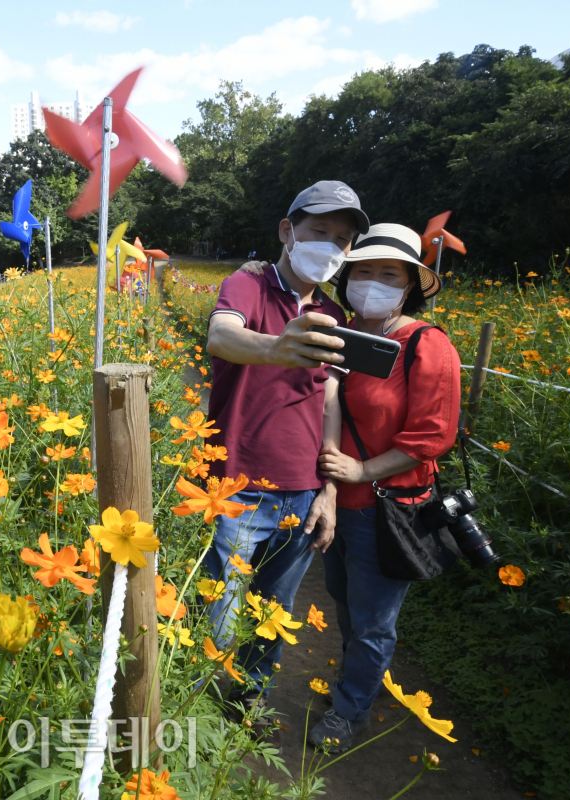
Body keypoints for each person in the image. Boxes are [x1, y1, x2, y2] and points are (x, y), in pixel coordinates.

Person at [202, 181, 369, 714]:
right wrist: (278, 347)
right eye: (320, 231)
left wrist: (330, 492)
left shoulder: (333, 318)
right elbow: (222, 337)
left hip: (300, 490)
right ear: (287, 231)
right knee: (217, 616)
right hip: (236, 484)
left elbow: (330, 400)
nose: (331, 245)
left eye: (342, 239)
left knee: (273, 612)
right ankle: (195, 703)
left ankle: (250, 702)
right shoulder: (248, 287)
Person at [307, 223, 462, 750]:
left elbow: (433, 436)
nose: (373, 282)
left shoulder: (425, 344)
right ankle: (356, 688)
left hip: (386, 506)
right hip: (335, 502)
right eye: (364, 272)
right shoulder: (343, 332)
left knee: (374, 619)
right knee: (346, 604)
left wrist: (362, 471)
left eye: (388, 275)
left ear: (411, 286)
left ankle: (352, 712)